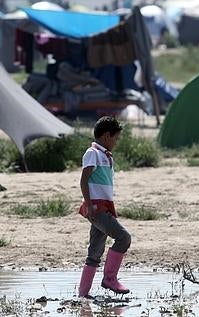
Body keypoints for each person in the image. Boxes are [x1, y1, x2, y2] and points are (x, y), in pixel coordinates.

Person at [77, 116, 131, 298]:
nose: (116, 142)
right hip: (97, 208)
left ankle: (83, 294)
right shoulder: (93, 153)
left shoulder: (106, 156)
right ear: (107, 136)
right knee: (123, 238)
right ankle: (109, 278)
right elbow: (84, 180)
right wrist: (89, 204)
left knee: (95, 252)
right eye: (116, 138)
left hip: (104, 207)